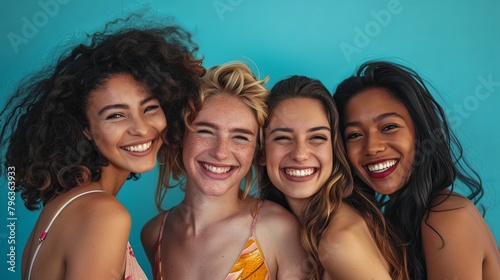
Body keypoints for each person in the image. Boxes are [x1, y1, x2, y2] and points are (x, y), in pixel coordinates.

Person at [0, 15, 204, 279]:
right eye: (116, 115)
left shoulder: (61, 207)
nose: (141, 128)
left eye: (150, 108)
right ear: (84, 127)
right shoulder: (105, 215)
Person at [333, 60, 500, 279]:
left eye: (389, 127)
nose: (372, 147)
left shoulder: (446, 217)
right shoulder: (396, 221)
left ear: (420, 132)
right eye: (354, 135)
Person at [141, 62, 308, 280]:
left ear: (257, 151)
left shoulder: (278, 229)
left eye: (240, 137)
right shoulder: (154, 234)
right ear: (180, 137)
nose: (220, 152)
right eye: (206, 131)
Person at [260, 75, 408, 279]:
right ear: (261, 152)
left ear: (335, 149)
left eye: (317, 137)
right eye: (283, 138)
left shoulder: (340, 241)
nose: (300, 154)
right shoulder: (289, 226)